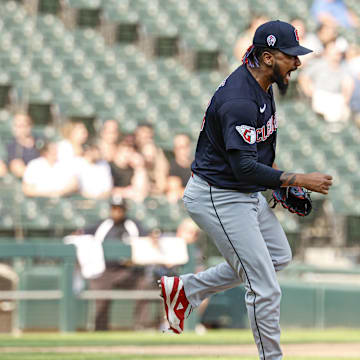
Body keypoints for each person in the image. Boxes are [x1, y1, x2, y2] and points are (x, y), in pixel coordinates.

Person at [158, 20, 333, 360]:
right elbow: (243, 167)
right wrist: (295, 179)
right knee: (264, 287)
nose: (297, 62)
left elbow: (253, 156)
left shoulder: (262, 83)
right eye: (290, 56)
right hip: (218, 196)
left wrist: (276, 184)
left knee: (277, 257)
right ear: (268, 57)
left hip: (241, 190)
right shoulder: (239, 99)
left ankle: (185, 289)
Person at [79, 195, 152, 331]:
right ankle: (100, 328)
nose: (117, 212)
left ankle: (142, 325)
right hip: (105, 270)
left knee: (143, 285)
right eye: (114, 208)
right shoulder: (102, 225)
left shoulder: (133, 225)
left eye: (120, 208)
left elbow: (147, 239)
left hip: (128, 271)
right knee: (100, 291)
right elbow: (83, 234)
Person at [6, 113, 41, 178]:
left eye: (22, 126)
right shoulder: (11, 145)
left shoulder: (40, 141)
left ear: (29, 126)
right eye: (16, 126)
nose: (19, 129)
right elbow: (16, 166)